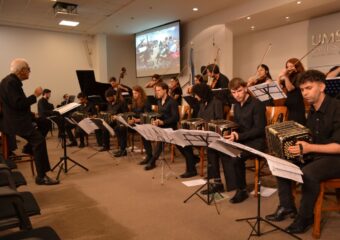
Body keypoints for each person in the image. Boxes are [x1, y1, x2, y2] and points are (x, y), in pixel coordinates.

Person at [265, 70, 340, 234]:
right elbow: (311, 138)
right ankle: (286, 206)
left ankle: (305, 218)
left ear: (322, 87)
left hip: (336, 157)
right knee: (282, 161)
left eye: (308, 88)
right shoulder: (312, 110)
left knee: (308, 173)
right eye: (302, 89)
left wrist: (309, 148)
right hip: (319, 153)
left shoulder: (336, 108)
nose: (304, 93)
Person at [0, 58, 59, 185]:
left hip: (16, 118)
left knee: (45, 122)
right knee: (39, 141)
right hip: (15, 122)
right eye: (28, 69)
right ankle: (41, 177)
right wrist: (35, 95)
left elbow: (15, 104)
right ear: (21, 71)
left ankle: (28, 148)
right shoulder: (11, 83)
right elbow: (18, 104)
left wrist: (32, 115)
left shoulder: (10, 81)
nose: (29, 72)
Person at [219, 77, 266, 203]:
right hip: (244, 139)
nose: (236, 95)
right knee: (223, 149)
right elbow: (239, 126)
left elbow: (260, 129)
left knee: (236, 157)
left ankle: (242, 190)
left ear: (245, 88)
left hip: (257, 142)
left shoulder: (257, 104)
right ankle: (233, 185)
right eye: (233, 93)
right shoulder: (237, 105)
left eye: (239, 91)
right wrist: (230, 133)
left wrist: (239, 136)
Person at [179, 83, 224, 178]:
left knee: (190, 142)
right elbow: (199, 118)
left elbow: (219, 121)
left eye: (196, 94)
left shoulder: (217, 102)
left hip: (211, 135)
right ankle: (191, 169)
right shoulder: (203, 103)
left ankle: (212, 173)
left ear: (202, 93)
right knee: (182, 141)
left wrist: (205, 126)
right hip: (202, 132)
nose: (195, 97)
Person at [144, 82, 179, 170]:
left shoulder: (172, 102)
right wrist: (156, 120)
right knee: (145, 131)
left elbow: (175, 118)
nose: (157, 92)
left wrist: (163, 122)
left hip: (171, 127)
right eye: (156, 91)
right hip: (162, 125)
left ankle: (152, 161)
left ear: (165, 90)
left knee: (161, 137)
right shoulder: (159, 101)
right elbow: (161, 115)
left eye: (159, 90)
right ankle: (149, 156)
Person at [114, 86, 152, 158]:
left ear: (140, 93)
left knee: (122, 129)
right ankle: (123, 150)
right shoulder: (134, 101)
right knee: (118, 128)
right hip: (134, 122)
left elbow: (147, 117)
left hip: (142, 123)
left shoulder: (146, 102)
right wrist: (125, 117)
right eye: (133, 93)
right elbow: (133, 113)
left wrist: (136, 120)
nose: (134, 95)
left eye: (135, 93)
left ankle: (149, 155)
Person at [277, 58, 306, 125]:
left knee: (297, 125)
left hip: (297, 104)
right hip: (289, 104)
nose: (289, 68)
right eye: (287, 67)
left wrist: (285, 76)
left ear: (297, 66)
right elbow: (279, 87)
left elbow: (290, 88)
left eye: (291, 66)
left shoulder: (300, 75)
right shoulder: (289, 76)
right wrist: (279, 77)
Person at [99, 88, 128, 153]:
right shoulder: (110, 103)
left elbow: (125, 113)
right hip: (111, 121)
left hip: (120, 121)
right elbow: (109, 111)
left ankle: (122, 149)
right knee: (103, 125)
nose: (108, 100)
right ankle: (106, 146)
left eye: (109, 98)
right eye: (107, 98)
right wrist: (105, 113)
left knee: (118, 128)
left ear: (114, 96)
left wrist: (117, 116)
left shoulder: (122, 102)